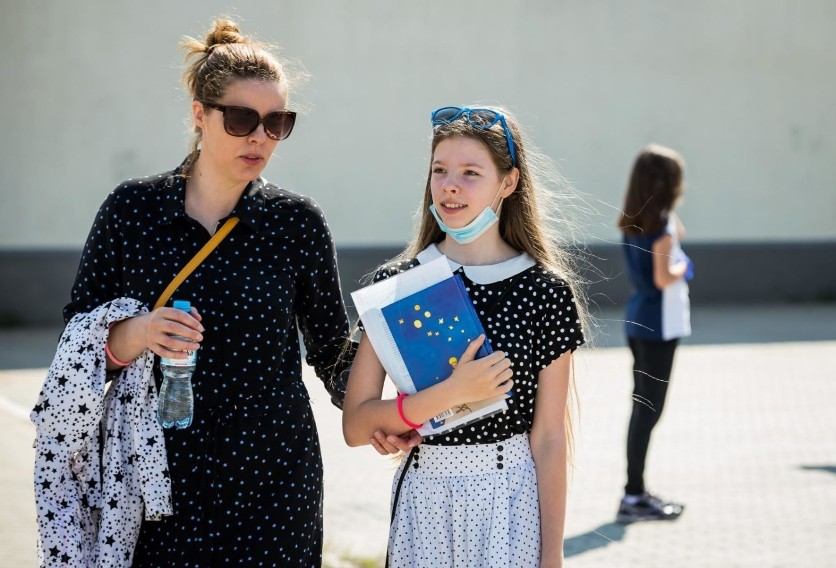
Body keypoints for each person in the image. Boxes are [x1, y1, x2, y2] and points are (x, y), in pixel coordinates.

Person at [36, 18, 411, 567]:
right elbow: (79, 334)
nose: (260, 137)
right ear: (199, 115)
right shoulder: (132, 210)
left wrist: (378, 412)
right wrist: (139, 332)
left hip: (275, 479)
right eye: (241, 119)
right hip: (157, 479)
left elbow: (333, 351)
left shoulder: (295, 222)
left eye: (277, 122)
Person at [342, 105, 587, 568]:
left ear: (508, 183)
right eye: (440, 170)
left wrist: (552, 556)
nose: (450, 185)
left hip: (511, 499)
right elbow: (356, 425)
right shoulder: (398, 284)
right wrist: (451, 394)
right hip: (424, 500)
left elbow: (551, 437)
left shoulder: (545, 290)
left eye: (471, 172)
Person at [615, 143, 692, 523]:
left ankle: (635, 492)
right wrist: (684, 266)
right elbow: (664, 277)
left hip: (640, 320)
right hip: (658, 326)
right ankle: (633, 496)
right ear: (666, 183)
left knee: (643, 410)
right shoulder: (659, 225)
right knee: (648, 412)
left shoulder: (637, 218)